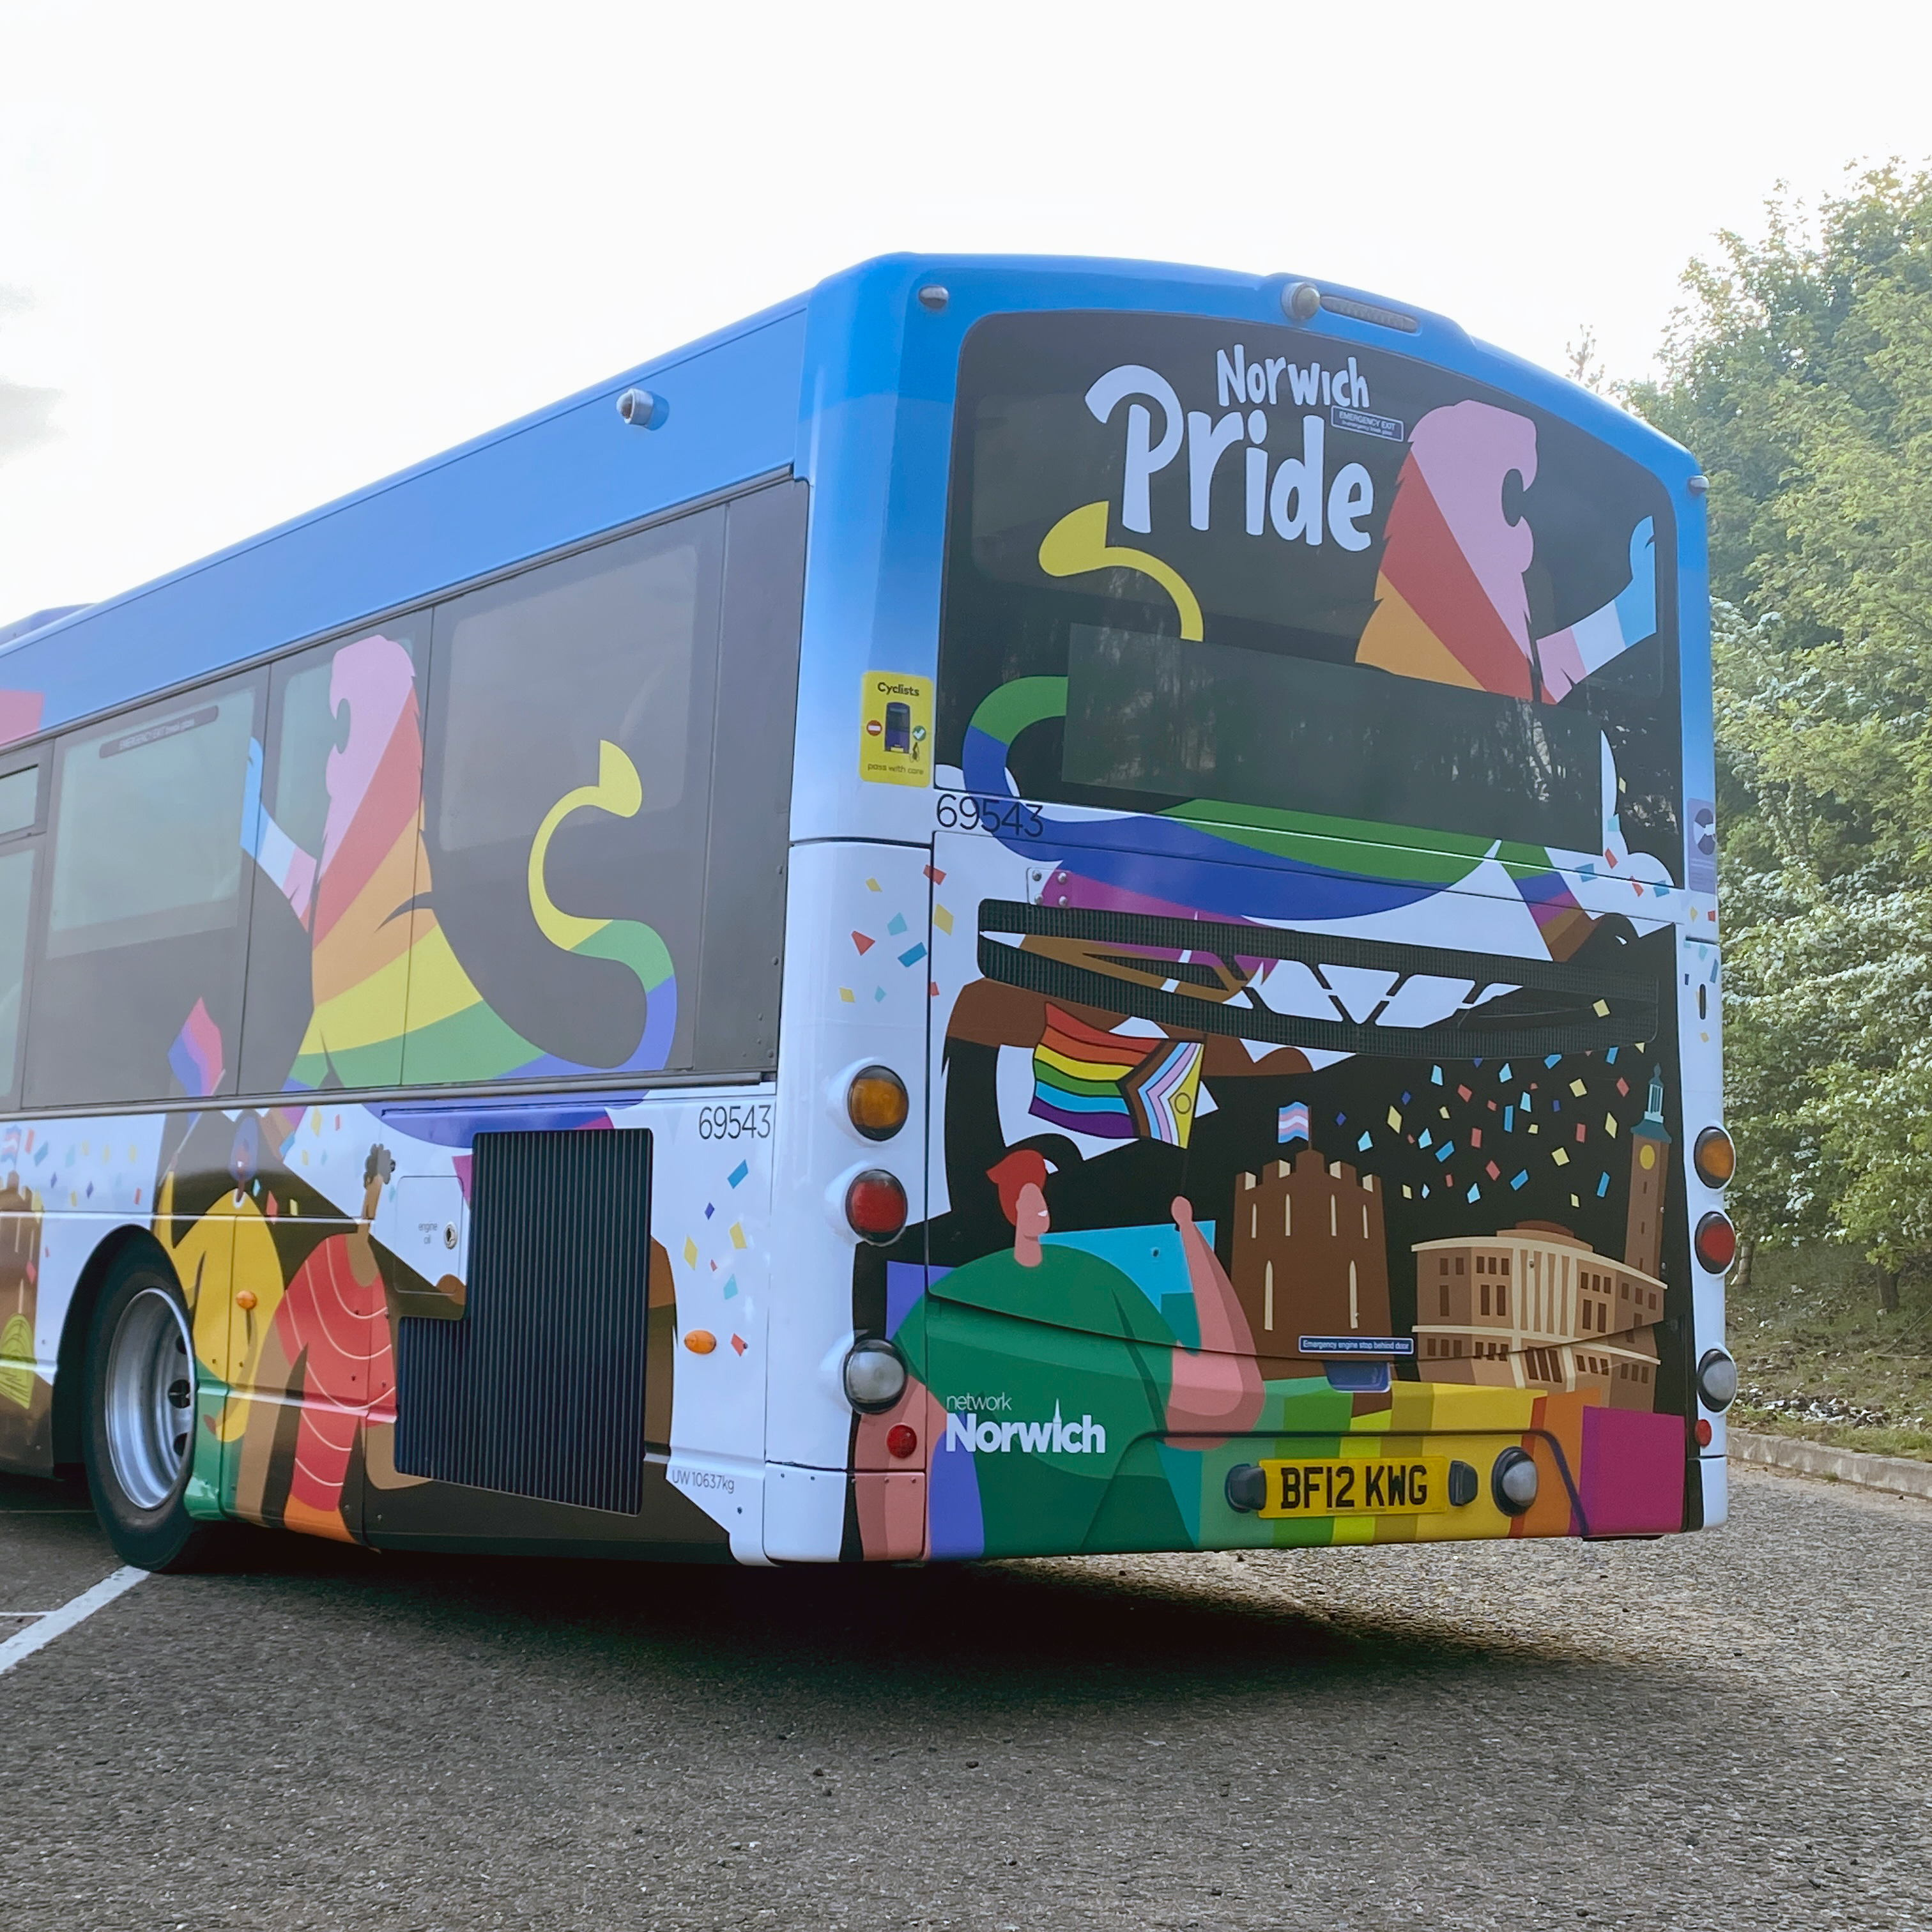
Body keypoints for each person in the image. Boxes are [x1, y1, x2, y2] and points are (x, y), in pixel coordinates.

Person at [859, 1149, 1262, 1558]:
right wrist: (1191, 1237)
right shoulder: (1088, 1279)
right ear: (1014, 1205)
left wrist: (1193, 1240)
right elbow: (1227, 1402)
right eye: (1031, 1194)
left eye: (1042, 1194)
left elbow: (1228, 1401)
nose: (1041, 1207)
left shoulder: (1085, 1280)